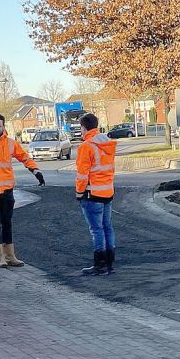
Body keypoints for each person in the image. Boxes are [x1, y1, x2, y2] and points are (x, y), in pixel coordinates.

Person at [0, 114, 45, 268]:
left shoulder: (11, 143)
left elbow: (24, 157)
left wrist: (35, 170)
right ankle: (0, 257)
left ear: (4, 126)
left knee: (7, 223)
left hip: (7, 190)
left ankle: (10, 256)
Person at [74, 113, 117, 275]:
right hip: (107, 192)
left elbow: (82, 175)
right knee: (107, 227)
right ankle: (109, 263)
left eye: (81, 128)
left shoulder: (86, 147)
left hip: (92, 195)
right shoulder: (108, 143)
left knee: (96, 230)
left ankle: (100, 265)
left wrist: (79, 193)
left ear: (84, 128)